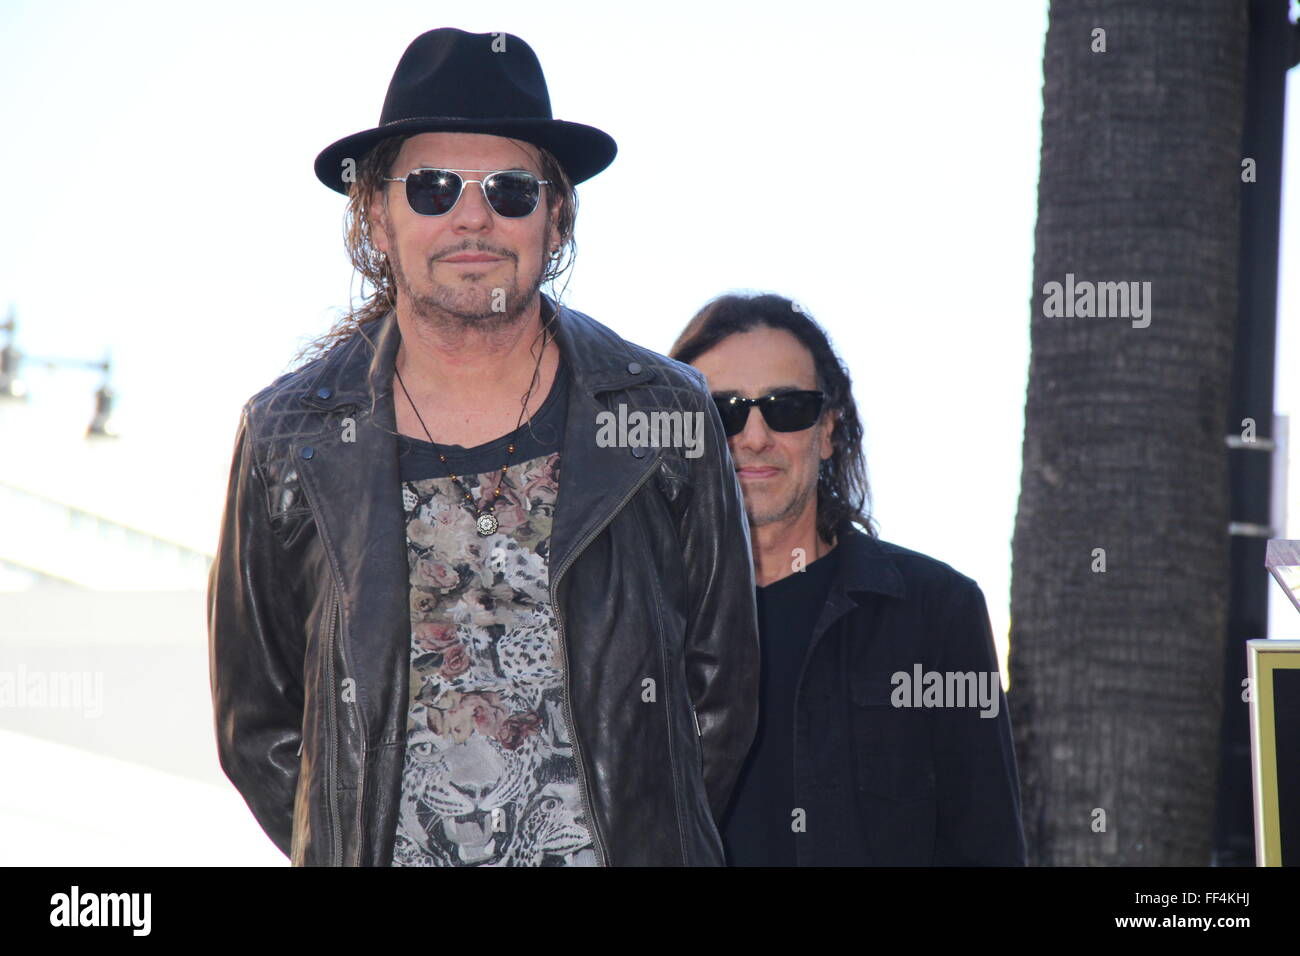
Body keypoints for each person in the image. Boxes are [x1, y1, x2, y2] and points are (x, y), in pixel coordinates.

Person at [207, 27, 759, 866]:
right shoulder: (287, 438)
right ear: (377, 218)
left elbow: (720, 697)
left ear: (556, 213)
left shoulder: (663, 414)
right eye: (431, 188)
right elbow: (261, 727)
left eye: (510, 188)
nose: (473, 216)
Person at [670, 292, 1026, 865]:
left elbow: (987, 845)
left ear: (829, 429)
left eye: (787, 408)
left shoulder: (937, 611)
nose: (754, 437)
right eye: (724, 410)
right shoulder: (638, 613)